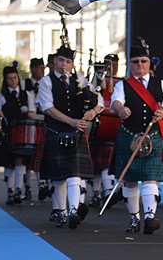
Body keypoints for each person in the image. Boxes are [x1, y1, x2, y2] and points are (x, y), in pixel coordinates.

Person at [111, 42, 163, 234]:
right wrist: (120, 109)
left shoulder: (161, 84)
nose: (139, 64)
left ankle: (150, 215)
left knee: (150, 178)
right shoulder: (123, 85)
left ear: (149, 64)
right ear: (129, 64)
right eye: (135, 61)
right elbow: (116, 102)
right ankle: (134, 218)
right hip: (129, 137)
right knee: (130, 180)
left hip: (152, 136)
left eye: (143, 61)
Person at [37, 45, 102, 229]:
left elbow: (100, 103)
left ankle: (73, 211)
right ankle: (62, 213)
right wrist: (71, 121)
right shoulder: (46, 82)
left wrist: (92, 113)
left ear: (72, 64)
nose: (63, 65)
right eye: (60, 60)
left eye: (67, 61)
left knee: (74, 174)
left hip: (76, 134)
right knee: (58, 177)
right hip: (56, 132)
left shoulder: (80, 80)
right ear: (54, 61)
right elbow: (48, 108)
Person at [0, 64, 36, 205]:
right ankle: (10, 191)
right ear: (6, 80)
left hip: (22, 132)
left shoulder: (26, 95)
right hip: (8, 131)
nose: (13, 81)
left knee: (20, 159)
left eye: (15, 78)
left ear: (18, 78)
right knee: (9, 161)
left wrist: (28, 113)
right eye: (10, 79)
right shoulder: (2, 96)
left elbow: (32, 112)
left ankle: (18, 190)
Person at [89, 54, 122, 208]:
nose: (112, 67)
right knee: (96, 162)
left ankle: (107, 191)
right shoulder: (97, 81)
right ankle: (98, 193)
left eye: (115, 64)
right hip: (99, 123)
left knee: (107, 161)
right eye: (110, 64)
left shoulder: (122, 83)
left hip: (114, 124)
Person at [22, 57, 47, 201]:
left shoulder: (47, 83)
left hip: (44, 121)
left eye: (43, 68)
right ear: (32, 69)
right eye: (39, 68)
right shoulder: (24, 84)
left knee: (40, 156)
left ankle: (42, 185)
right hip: (29, 123)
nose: (42, 71)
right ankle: (27, 188)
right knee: (27, 157)